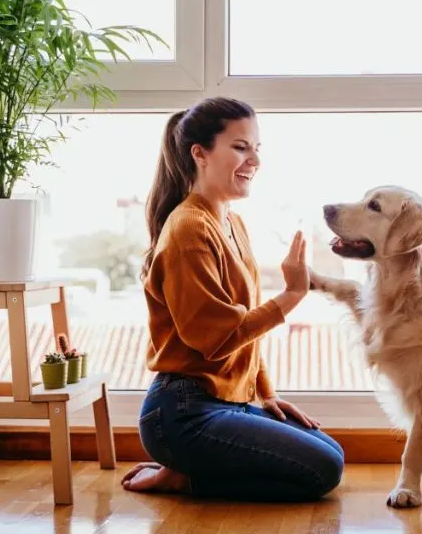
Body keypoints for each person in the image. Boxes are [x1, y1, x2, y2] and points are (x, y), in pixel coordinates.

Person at [120, 96, 345, 502]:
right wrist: (293, 294)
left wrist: (266, 392)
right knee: (323, 470)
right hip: (182, 412)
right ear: (200, 154)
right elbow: (216, 339)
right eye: (240, 147)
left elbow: (244, 336)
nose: (254, 160)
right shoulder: (188, 229)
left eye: (257, 148)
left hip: (226, 401)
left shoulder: (231, 221)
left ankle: (188, 469)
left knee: (331, 452)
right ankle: (183, 477)